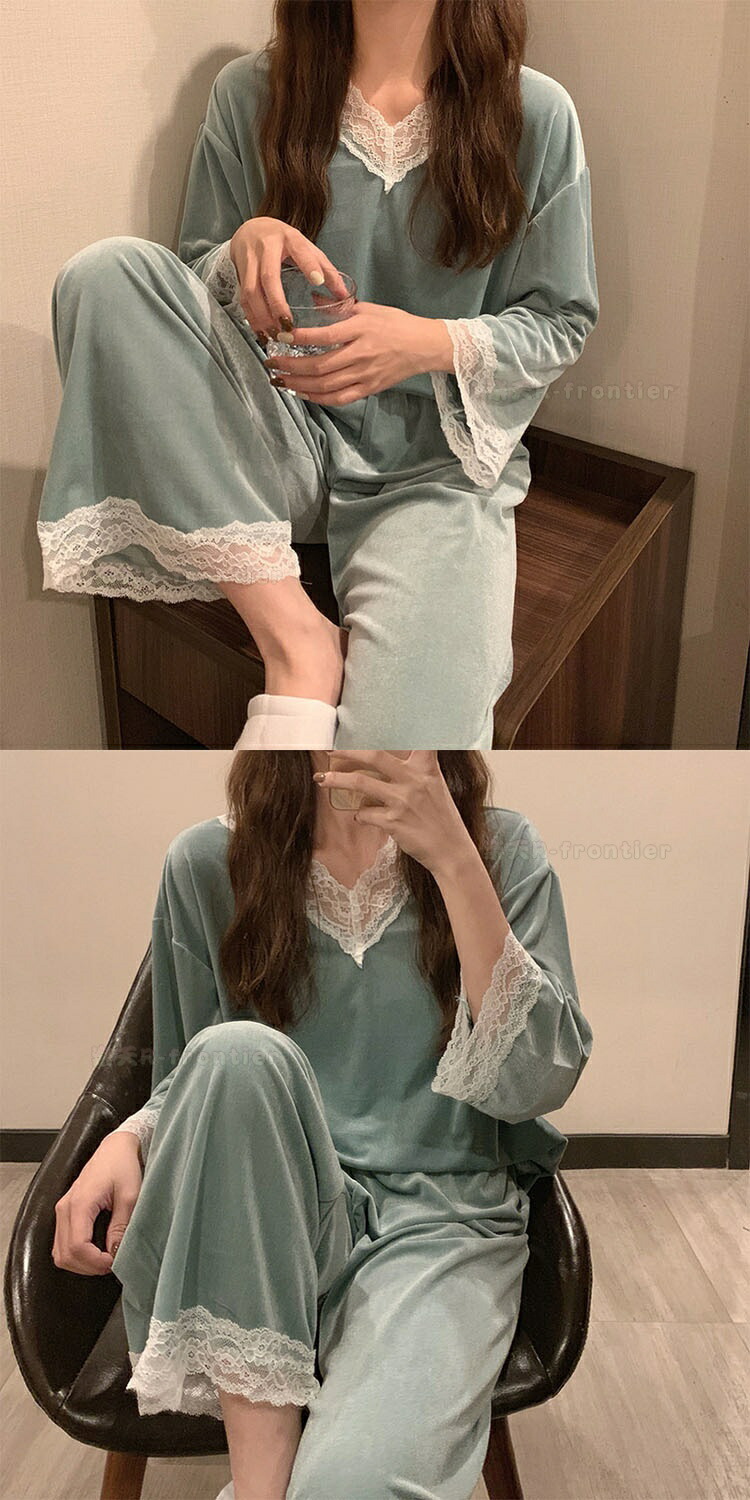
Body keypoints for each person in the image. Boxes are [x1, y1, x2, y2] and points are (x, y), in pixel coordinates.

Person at [36, 0, 599, 750]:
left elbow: (561, 321)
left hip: (432, 472)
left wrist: (426, 341)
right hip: (275, 439)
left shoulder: (534, 113)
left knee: (404, 760)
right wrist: (242, 245)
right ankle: (298, 641)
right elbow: (184, 305)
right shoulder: (249, 94)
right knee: (105, 275)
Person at [52, 750, 593, 1500]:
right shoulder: (207, 863)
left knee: (353, 1487)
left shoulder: (501, 850)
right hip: (261, 1214)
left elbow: (538, 1082)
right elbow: (196, 1070)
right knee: (237, 1052)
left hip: (440, 1222)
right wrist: (131, 1134)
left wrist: (453, 859)